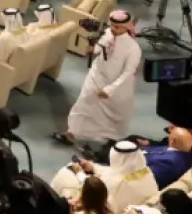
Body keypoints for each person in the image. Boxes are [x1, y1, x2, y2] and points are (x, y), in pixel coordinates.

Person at [58, 10, 141, 145]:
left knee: (114, 114)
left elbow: (128, 72)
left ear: (126, 27)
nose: (113, 29)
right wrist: (92, 48)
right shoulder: (107, 33)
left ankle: (112, 138)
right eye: (112, 25)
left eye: (117, 27)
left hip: (117, 85)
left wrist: (110, 90)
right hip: (96, 75)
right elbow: (98, 49)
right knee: (83, 102)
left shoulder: (133, 48)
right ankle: (72, 132)